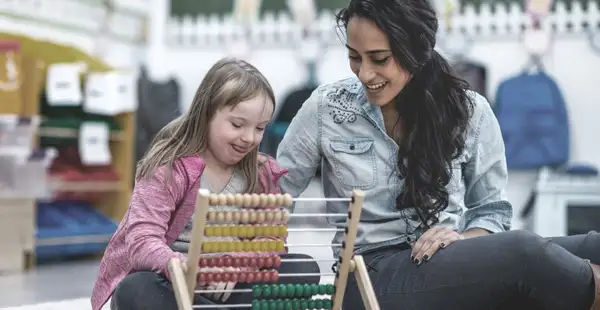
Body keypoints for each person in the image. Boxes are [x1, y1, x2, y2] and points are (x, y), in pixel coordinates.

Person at [276, 1, 600, 309]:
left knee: (592, 245)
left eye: (379, 58)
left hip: (445, 264)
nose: (363, 73)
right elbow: (274, 195)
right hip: (368, 276)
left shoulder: (470, 111)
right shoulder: (327, 108)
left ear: (414, 52)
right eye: (354, 57)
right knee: (526, 254)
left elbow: (492, 211)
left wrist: (462, 237)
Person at [91, 58, 320, 310]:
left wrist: (234, 265)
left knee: (301, 268)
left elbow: (270, 240)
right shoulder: (169, 167)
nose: (249, 138)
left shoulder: (261, 172)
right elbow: (142, 239)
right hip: (172, 281)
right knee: (134, 290)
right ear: (207, 113)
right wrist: (185, 268)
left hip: (231, 283)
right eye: (237, 125)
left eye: (260, 128)